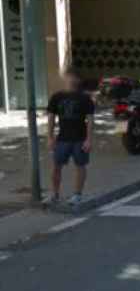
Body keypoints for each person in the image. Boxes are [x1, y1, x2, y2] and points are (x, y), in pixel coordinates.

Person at [46, 69, 95, 206]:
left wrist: (89, 139)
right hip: (62, 138)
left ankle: (77, 195)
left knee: (80, 166)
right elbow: (51, 118)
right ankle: (55, 194)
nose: (71, 80)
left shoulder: (85, 98)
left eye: (74, 77)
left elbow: (90, 120)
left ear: (78, 80)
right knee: (56, 166)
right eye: (69, 77)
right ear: (65, 78)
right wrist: (50, 137)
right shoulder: (57, 97)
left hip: (80, 139)